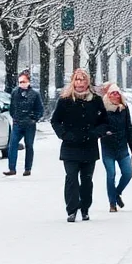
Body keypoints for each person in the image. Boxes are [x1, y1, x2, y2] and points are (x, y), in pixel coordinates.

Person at [51, 68, 108, 222]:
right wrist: (64, 134)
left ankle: (85, 208)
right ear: (73, 82)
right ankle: (71, 209)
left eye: (83, 80)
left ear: (87, 82)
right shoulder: (65, 100)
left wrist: (96, 133)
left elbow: (104, 122)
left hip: (89, 146)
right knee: (71, 178)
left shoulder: (95, 100)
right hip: (70, 146)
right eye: (77, 79)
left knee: (86, 179)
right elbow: (55, 120)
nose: (80, 83)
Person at [101, 83, 132, 212]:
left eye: (117, 93)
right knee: (111, 174)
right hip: (108, 148)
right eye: (112, 93)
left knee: (128, 173)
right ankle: (112, 203)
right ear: (108, 95)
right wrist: (104, 132)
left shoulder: (124, 108)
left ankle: (117, 193)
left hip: (122, 147)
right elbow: (98, 126)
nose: (115, 96)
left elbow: (129, 127)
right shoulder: (103, 109)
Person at [4, 71, 44, 176]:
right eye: (20, 82)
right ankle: (12, 168)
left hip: (29, 125)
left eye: (24, 81)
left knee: (29, 145)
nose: (22, 84)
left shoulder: (35, 94)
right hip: (17, 123)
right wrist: (15, 117)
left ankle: (28, 168)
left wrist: (34, 119)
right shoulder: (15, 92)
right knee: (12, 144)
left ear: (28, 82)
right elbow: (12, 107)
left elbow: (39, 109)